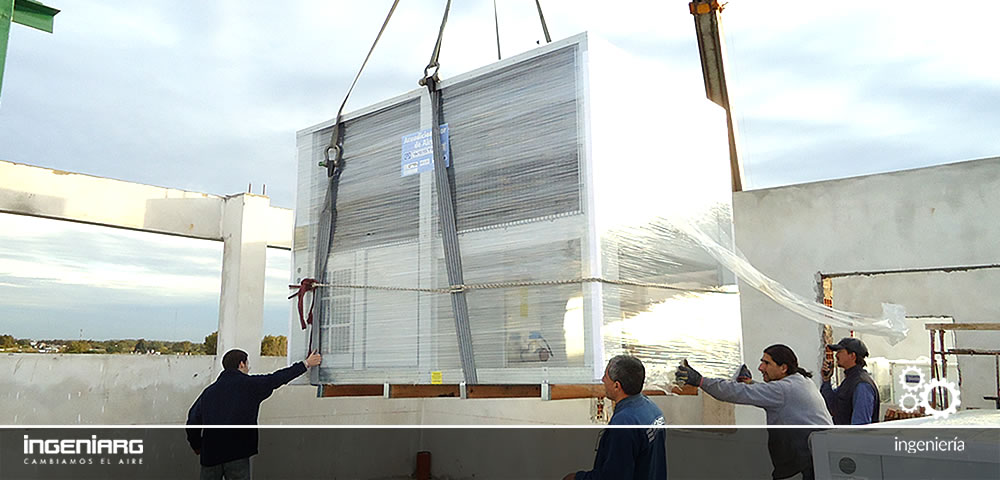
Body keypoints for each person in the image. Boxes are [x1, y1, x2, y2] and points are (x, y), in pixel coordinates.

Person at [676, 345, 832, 480]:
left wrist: (701, 381)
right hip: (815, 459)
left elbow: (736, 393)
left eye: (766, 363)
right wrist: (750, 383)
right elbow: (771, 394)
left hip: (803, 464)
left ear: (783, 368)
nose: (760, 368)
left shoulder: (783, 390)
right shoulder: (801, 381)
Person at [187, 349, 321, 480]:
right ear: (241, 364)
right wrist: (306, 364)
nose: (248, 369)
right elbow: (277, 378)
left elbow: (192, 420)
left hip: (210, 454)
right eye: (247, 364)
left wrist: (197, 445)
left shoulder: (209, 392)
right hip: (237, 453)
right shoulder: (250, 385)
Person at [563, 355, 666, 480]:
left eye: (606, 376)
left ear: (617, 386)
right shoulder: (652, 409)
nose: (602, 380)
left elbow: (613, 476)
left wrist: (577, 478)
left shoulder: (624, 422)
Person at [821, 337, 879, 425]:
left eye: (840, 351)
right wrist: (826, 380)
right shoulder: (850, 380)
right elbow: (831, 406)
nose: (836, 355)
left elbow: (860, 424)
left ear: (852, 355)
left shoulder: (862, 384)